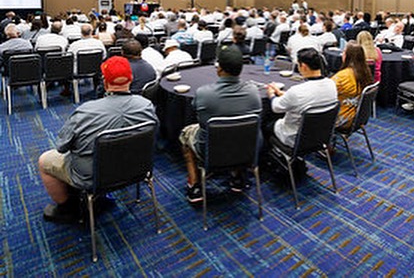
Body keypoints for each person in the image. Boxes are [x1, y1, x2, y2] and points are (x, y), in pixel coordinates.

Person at [38, 56, 158, 223]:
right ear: (131, 78)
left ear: (105, 82)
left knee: (44, 160)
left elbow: (62, 146)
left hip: (92, 177)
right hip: (137, 169)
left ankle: (67, 208)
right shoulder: (146, 105)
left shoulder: (86, 112)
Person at [179, 45, 261, 203]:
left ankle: (195, 185)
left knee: (185, 133)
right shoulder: (254, 91)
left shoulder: (204, 93)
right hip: (247, 149)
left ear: (219, 69)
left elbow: (194, 109)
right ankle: (237, 177)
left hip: (210, 150)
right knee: (239, 131)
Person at [266, 47, 337, 147]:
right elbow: (309, 98)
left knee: (266, 122)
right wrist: (282, 93)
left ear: (303, 66)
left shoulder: (297, 91)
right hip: (321, 135)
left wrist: (271, 94)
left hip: (294, 137)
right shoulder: (331, 84)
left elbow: (276, 107)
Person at [331, 42, 373, 128]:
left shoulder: (343, 76)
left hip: (342, 117)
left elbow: (326, 93)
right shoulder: (365, 71)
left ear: (347, 56)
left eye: (344, 52)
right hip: (356, 115)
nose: (342, 54)